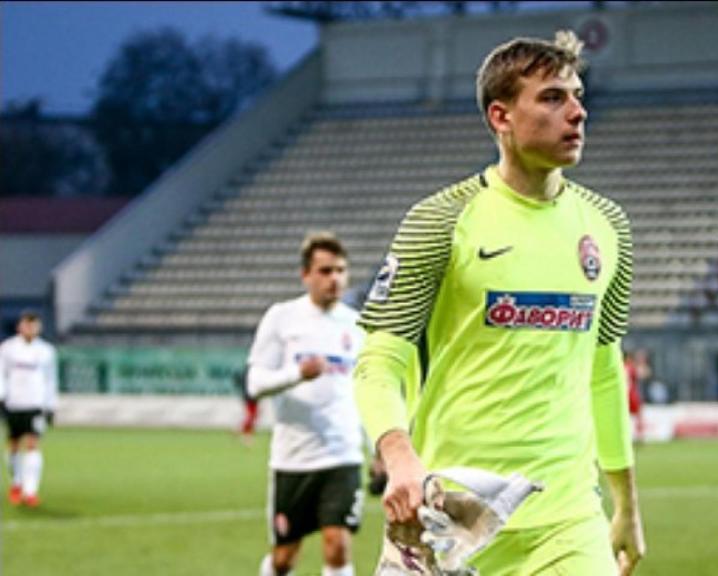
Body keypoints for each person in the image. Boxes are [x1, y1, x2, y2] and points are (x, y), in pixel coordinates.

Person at [354, 30, 645, 575]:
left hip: (567, 517)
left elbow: (605, 371)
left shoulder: (609, 229)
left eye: (578, 95)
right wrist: (399, 458)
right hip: (450, 511)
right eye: (554, 98)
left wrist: (626, 503)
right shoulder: (440, 221)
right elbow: (377, 363)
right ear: (501, 117)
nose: (578, 113)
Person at [247, 231, 366, 576]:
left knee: (338, 545)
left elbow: (364, 390)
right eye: (326, 271)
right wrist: (297, 373)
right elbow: (255, 384)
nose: (335, 279)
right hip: (293, 459)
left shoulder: (357, 325)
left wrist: (379, 452)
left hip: (342, 454)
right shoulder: (281, 318)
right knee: (285, 559)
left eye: (341, 271)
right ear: (306, 275)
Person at [0, 309, 58, 507]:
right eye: (27, 324)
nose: (30, 328)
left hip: (35, 404)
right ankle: (16, 483)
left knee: (33, 444)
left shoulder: (46, 351)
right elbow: (1, 374)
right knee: (14, 444)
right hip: (13, 403)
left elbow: (50, 380)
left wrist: (50, 406)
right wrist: (1, 397)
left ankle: (31, 490)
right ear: (19, 326)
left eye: (34, 325)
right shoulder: (8, 348)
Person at [233, 368, 259, 445]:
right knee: (252, 416)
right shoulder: (251, 372)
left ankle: (245, 436)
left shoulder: (247, 372)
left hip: (250, 396)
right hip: (250, 397)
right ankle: (240, 431)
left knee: (252, 416)